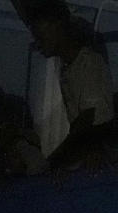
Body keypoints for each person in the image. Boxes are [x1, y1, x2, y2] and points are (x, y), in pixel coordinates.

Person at [26, 1, 116, 168]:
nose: (38, 42)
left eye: (41, 35)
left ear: (58, 27)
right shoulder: (68, 70)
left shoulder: (88, 63)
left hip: (101, 156)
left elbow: (89, 121)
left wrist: (57, 161)